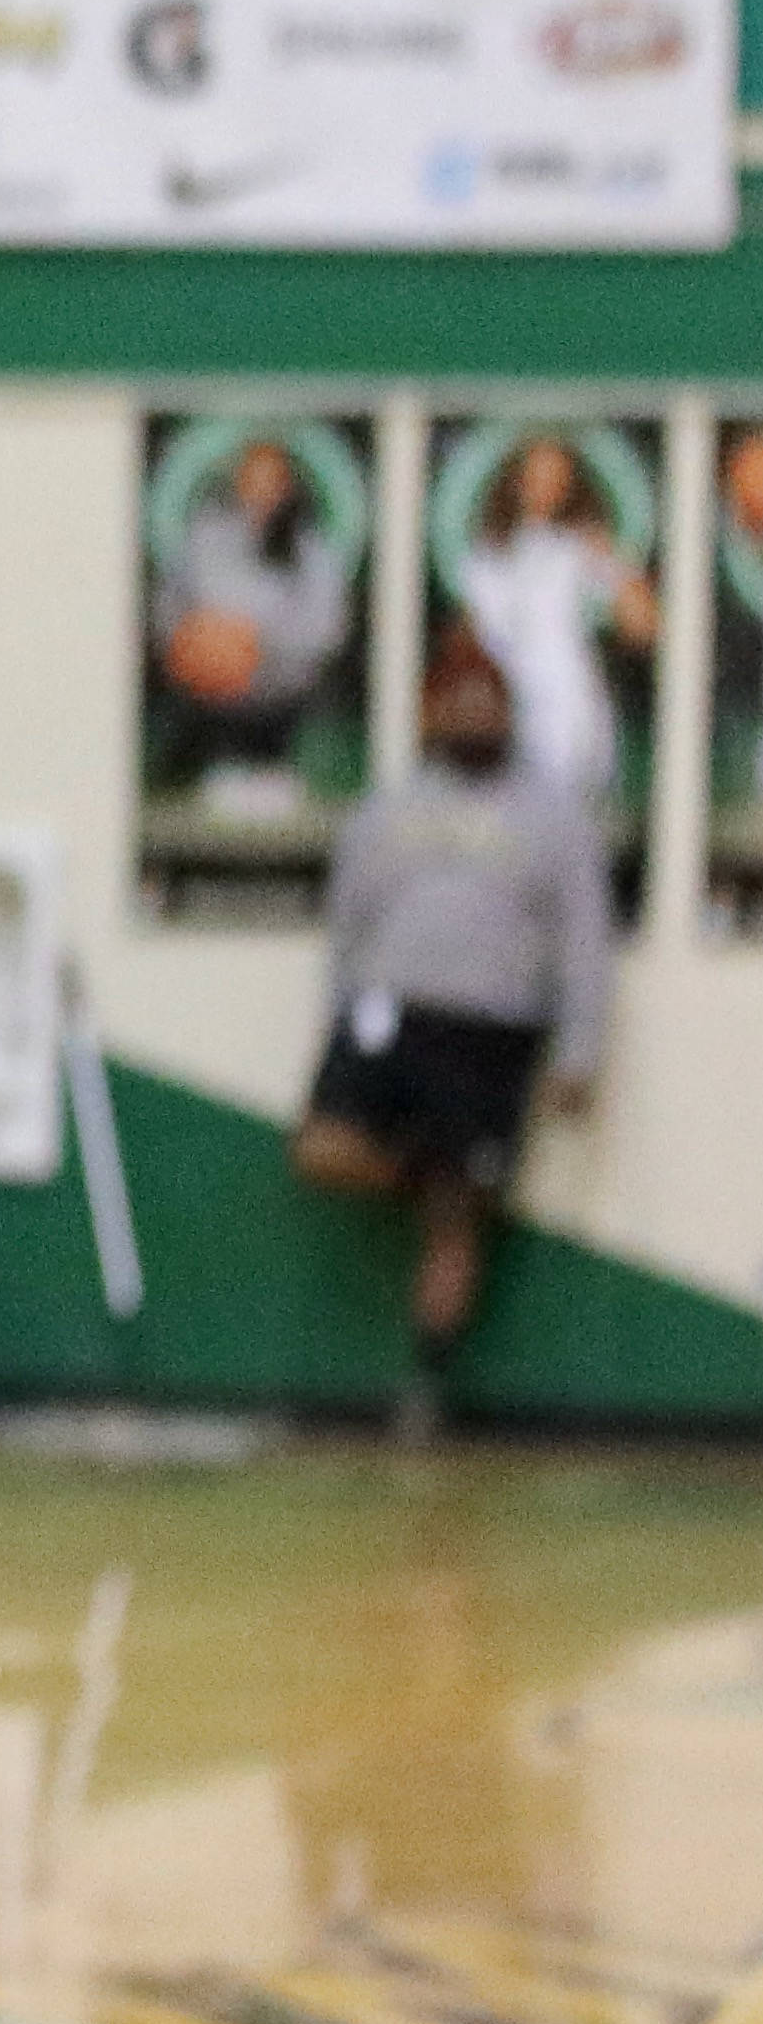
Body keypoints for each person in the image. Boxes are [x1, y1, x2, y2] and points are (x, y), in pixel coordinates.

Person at [297, 640, 618, 1438]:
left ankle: (426, 1386)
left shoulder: (553, 817)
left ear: (508, 714)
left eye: (488, 700)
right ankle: (428, 1168)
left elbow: (583, 941)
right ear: (431, 712)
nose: (474, 713)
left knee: (455, 1220)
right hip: (389, 1015)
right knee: (321, 1148)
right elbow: (347, 923)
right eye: (458, 698)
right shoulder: (390, 809)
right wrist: (342, 1012)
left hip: (492, 1031)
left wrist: (578, 1052)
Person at [449, 431, 656, 809]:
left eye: (556, 478)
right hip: (503, 715)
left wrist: (610, 560)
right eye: (535, 475)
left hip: (570, 714)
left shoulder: (579, 549)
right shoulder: (484, 556)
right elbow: (469, 639)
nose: (544, 488)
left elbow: (642, 624)